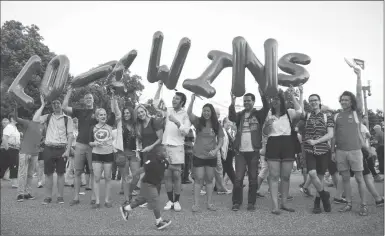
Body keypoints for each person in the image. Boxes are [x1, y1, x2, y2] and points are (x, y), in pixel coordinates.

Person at [63, 90, 115, 206]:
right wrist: (69, 92)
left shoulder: (97, 113)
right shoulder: (79, 111)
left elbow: (107, 120)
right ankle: (76, 198)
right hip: (80, 144)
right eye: (86, 98)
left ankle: (93, 198)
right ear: (84, 100)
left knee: (93, 172)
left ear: (93, 100)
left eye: (90, 98)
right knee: (77, 171)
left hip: (93, 146)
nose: (88, 99)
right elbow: (64, 107)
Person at [331, 67, 370, 216]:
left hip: (355, 151)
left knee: (359, 179)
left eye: (346, 100)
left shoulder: (356, 113)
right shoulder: (336, 116)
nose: (344, 102)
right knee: (345, 179)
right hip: (340, 151)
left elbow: (359, 95)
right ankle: (348, 203)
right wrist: (333, 151)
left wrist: (359, 77)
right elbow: (334, 134)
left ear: (351, 101)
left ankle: (364, 205)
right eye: (342, 100)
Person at [119, 147, 181, 230]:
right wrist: (131, 175)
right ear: (159, 153)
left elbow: (168, 166)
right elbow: (142, 169)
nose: (166, 152)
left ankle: (126, 208)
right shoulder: (151, 162)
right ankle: (159, 222)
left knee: (142, 200)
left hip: (153, 184)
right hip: (148, 184)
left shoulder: (164, 161)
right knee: (155, 200)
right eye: (164, 151)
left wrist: (177, 169)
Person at [228, 87, 269, 211]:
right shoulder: (240, 115)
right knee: (238, 178)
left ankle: (251, 203)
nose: (246, 103)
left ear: (253, 102)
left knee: (252, 178)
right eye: (244, 101)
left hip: (253, 152)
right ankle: (236, 202)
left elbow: (266, 108)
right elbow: (231, 117)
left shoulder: (258, 114)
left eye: (248, 101)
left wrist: (263, 95)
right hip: (240, 152)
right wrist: (232, 102)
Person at [263, 87, 302, 214]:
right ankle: (275, 205)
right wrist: (268, 125)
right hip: (273, 143)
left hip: (287, 144)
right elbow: (265, 132)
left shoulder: (289, 112)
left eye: (277, 98)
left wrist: (292, 97)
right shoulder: (268, 113)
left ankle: (284, 202)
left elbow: (300, 112)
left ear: (282, 100)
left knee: (285, 176)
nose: (274, 101)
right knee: (274, 176)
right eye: (272, 99)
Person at [153, 82, 191, 212]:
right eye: (174, 98)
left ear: (182, 102)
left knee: (177, 175)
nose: (174, 100)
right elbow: (155, 103)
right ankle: (170, 200)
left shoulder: (185, 115)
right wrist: (159, 87)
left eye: (177, 99)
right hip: (165, 146)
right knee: (167, 175)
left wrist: (177, 121)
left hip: (178, 147)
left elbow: (185, 132)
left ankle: (177, 201)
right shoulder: (167, 110)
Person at [187, 95, 224, 212]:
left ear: (211, 112)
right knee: (199, 179)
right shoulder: (198, 122)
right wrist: (192, 100)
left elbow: (221, 140)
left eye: (208, 111)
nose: (206, 113)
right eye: (204, 111)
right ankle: (196, 204)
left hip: (211, 156)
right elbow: (189, 113)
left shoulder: (217, 125)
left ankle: (209, 203)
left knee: (209, 179)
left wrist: (216, 149)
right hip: (198, 155)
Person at [35, 98, 74, 204]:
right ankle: (48, 197)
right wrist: (42, 105)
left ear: (61, 105)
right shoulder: (47, 117)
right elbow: (35, 119)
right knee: (48, 174)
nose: (55, 105)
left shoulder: (68, 119)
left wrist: (68, 150)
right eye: (53, 103)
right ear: (51, 105)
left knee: (61, 174)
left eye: (58, 103)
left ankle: (60, 197)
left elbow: (70, 136)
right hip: (48, 148)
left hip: (62, 149)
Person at [301, 94, 334, 214]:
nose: (313, 102)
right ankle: (325, 196)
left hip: (323, 149)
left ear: (320, 101)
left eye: (315, 100)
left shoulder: (327, 116)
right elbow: (299, 108)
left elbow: (330, 134)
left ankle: (317, 202)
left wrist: (317, 141)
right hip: (309, 149)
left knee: (320, 177)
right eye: (311, 101)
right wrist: (300, 92)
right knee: (312, 173)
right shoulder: (308, 115)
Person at [131, 104, 164, 208]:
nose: (141, 114)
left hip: (156, 152)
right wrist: (140, 151)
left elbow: (160, 138)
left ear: (145, 110)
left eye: (142, 111)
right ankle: (150, 198)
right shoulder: (140, 125)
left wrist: (151, 146)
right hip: (146, 153)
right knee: (148, 177)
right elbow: (141, 140)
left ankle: (154, 200)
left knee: (155, 177)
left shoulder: (154, 121)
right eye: (138, 113)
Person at [14, 103, 44, 202]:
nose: (40, 115)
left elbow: (40, 139)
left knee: (30, 174)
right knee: (22, 173)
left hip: (35, 153)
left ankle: (27, 193)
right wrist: (16, 108)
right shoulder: (28, 123)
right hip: (25, 153)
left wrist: (40, 146)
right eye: (38, 113)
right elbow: (16, 118)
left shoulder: (41, 127)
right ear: (35, 115)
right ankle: (20, 194)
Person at [113, 102, 141, 204]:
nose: (126, 115)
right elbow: (116, 110)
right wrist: (114, 99)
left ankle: (129, 192)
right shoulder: (120, 123)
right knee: (125, 177)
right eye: (124, 113)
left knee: (136, 176)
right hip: (122, 153)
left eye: (128, 113)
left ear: (132, 114)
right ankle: (126, 199)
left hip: (134, 153)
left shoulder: (136, 125)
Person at [89, 106, 117, 209]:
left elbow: (114, 112)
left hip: (108, 154)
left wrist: (113, 97)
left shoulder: (109, 125)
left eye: (105, 114)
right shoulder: (93, 127)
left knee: (108, 178)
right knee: (96, 178)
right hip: (96, 154)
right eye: (101, 114)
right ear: (97, 117)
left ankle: (107, 200)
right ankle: (97, 201)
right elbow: (90, 142)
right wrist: (94, 143)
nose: (103, 116)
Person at [1, 113, 21, 188]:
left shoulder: (14, 127)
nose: (18, 118)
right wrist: (7, 149)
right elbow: (5, 138)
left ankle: (14, 183)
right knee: (4, 166)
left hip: (15, 149)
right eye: (16, 117)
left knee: (14, 166)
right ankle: (13, 183)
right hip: (10, 148)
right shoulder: (9, 127)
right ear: (12, 119)